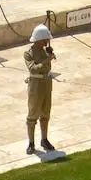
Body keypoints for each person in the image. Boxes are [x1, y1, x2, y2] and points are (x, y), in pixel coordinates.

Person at [24, 24, 57, 154]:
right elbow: (33, 68)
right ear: (39, 39)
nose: (47, 42)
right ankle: (31, 143)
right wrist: (46, 60)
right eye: (45, 40)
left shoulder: (46, 51)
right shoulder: (29, 53)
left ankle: (44, 139)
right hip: (36, 84)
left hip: (46, 83)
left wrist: (49, 56)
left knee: (45, 112)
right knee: (33, 113)